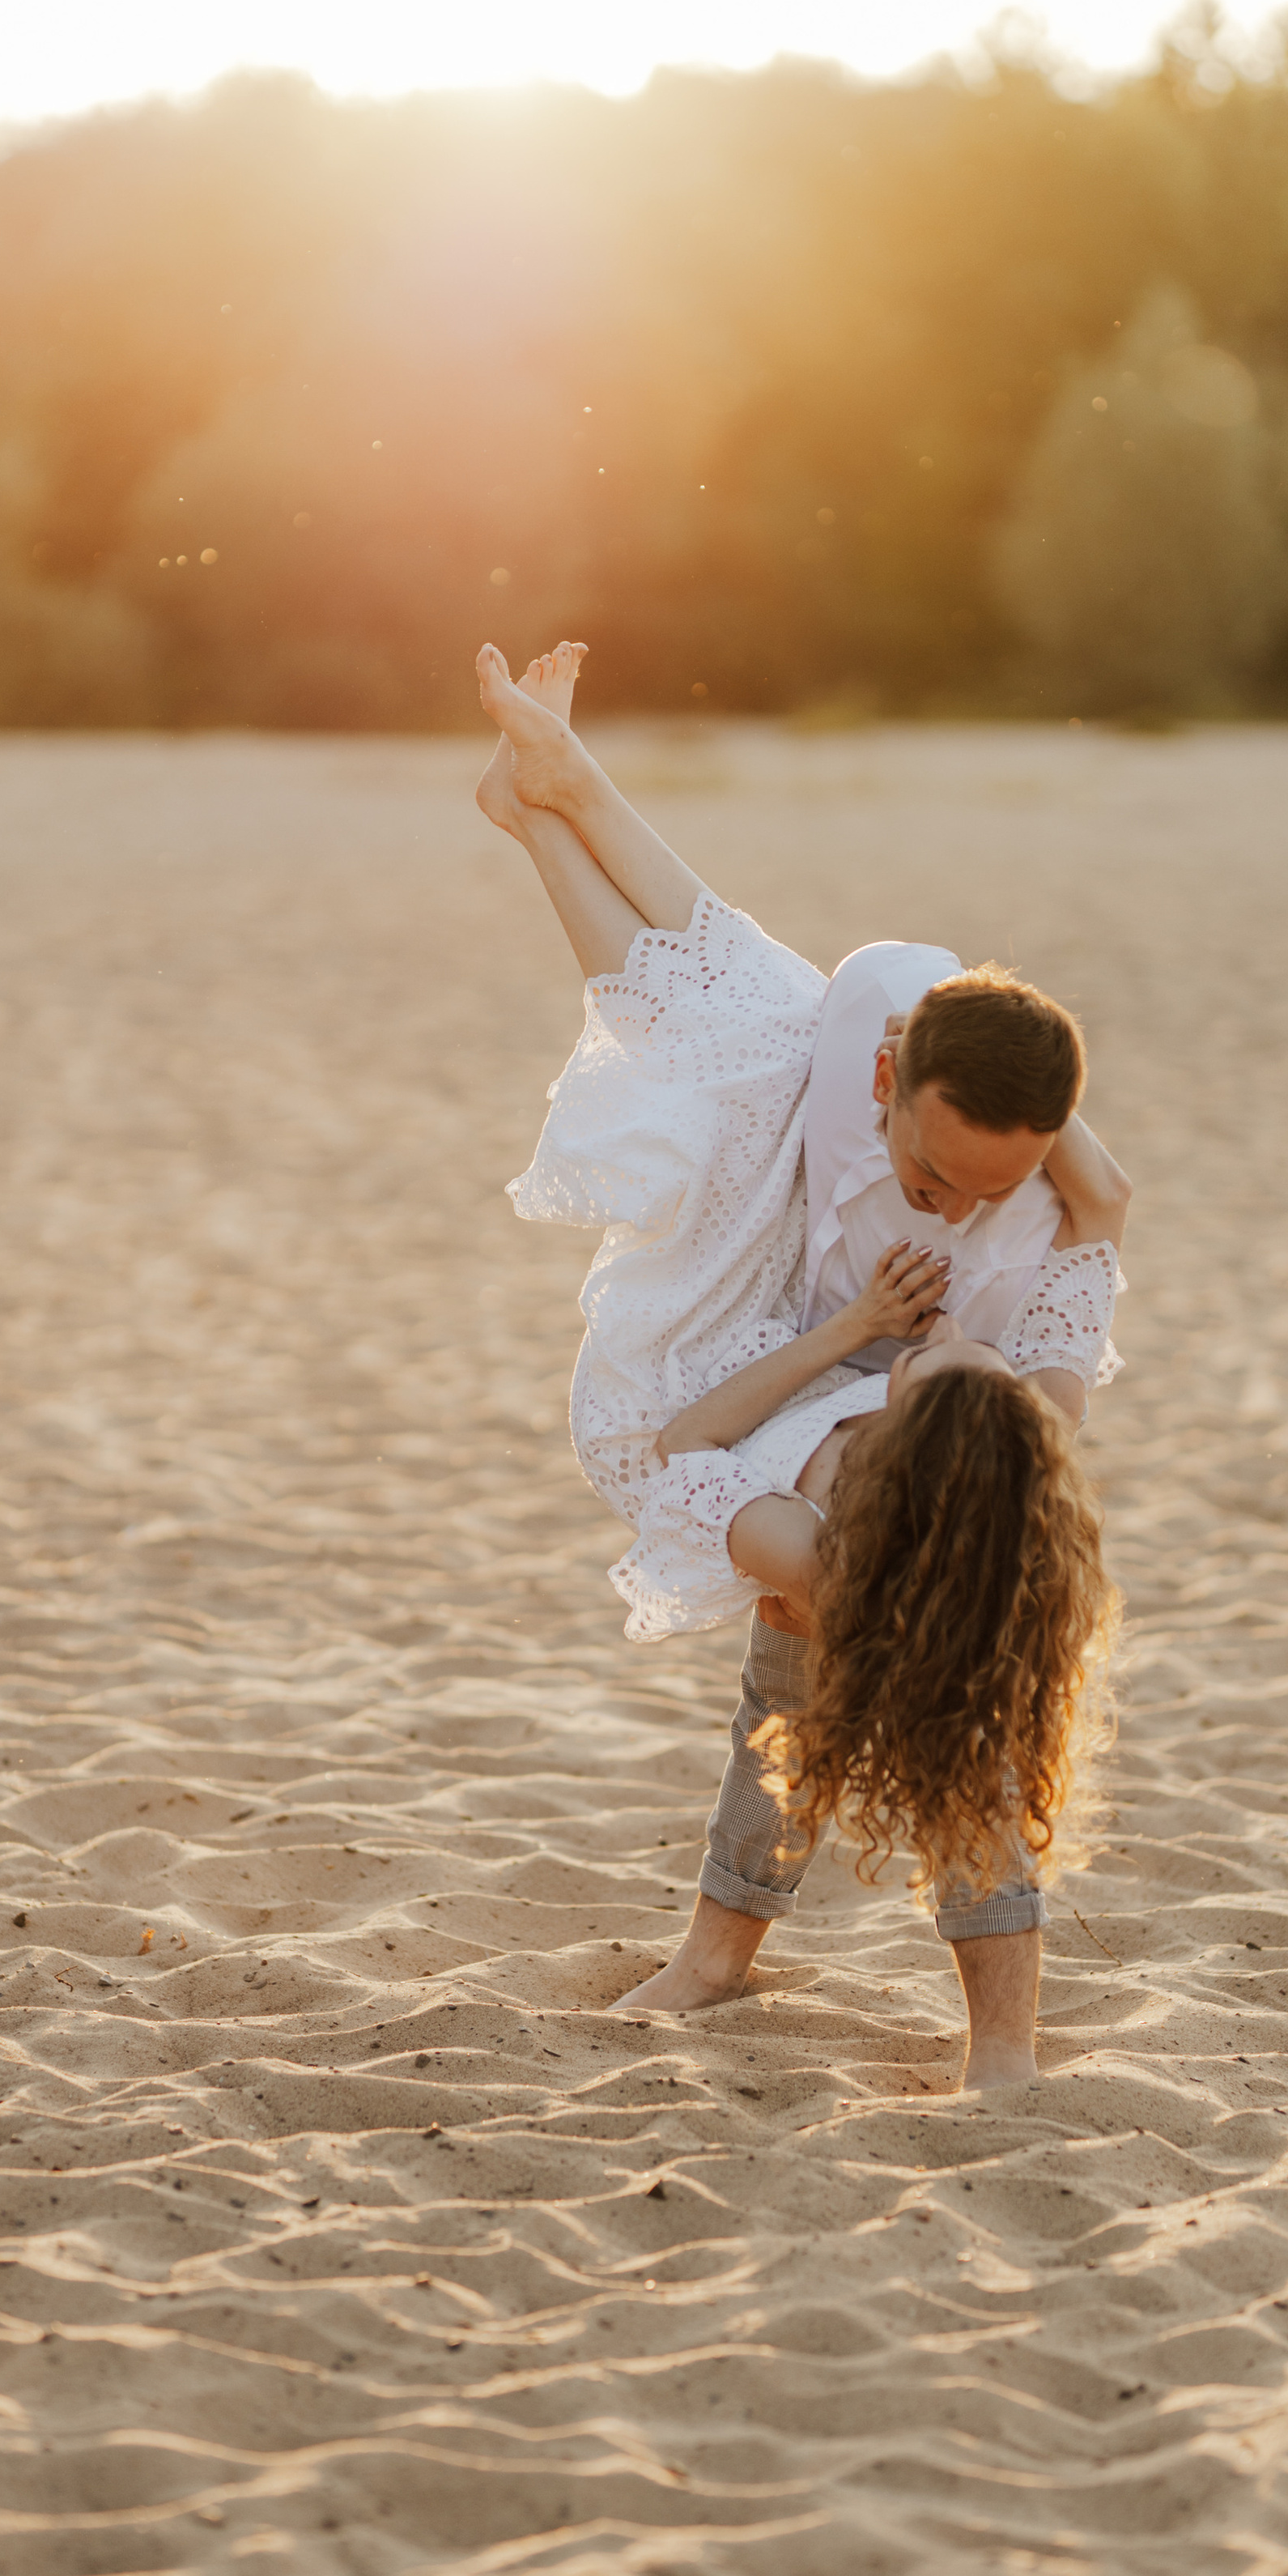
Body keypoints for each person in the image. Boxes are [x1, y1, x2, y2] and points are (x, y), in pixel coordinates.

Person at [478, 639, 1124, 2086]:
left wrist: (853, 1343)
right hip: (787, 1296)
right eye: (941, 1176)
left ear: (905, 1422)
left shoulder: (866, 1481)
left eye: (938, 1358)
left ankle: (947, 2027)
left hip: (775, 1429)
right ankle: (545, 794)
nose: (956, 1262)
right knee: (724, 1032)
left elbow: (687, 1454)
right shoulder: (1024, 1380)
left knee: (907, 1728)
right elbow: (705, 944)